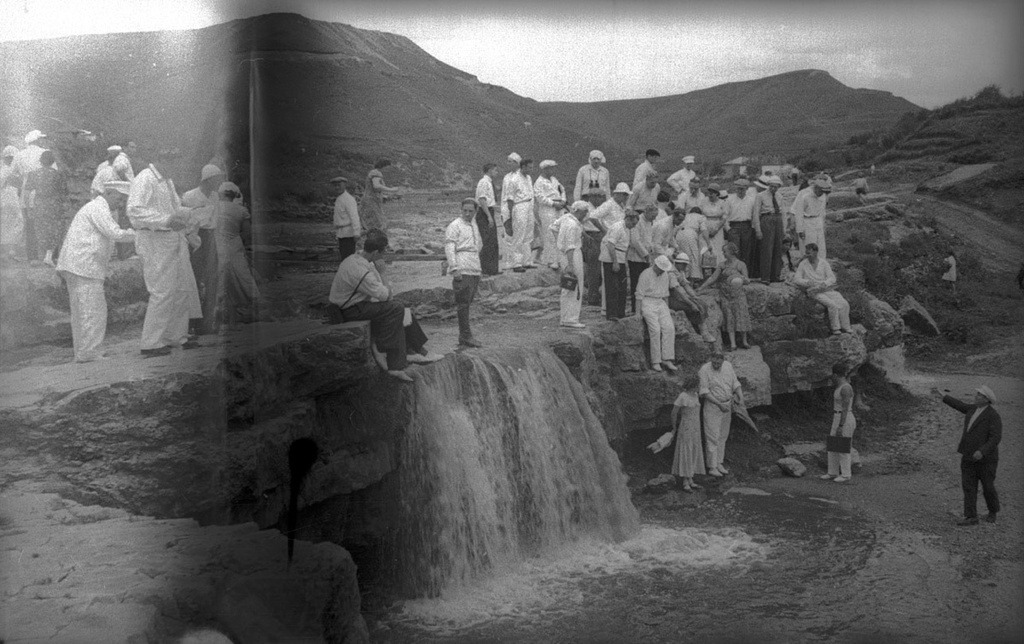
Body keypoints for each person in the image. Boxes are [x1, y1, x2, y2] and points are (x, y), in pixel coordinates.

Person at [127, 153, 202, 357]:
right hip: (154, 239)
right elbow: (134, 211)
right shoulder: (145, 178)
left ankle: (176, 337)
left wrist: (190, 213)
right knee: (162, 290)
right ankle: (151, 342)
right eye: (175, 161)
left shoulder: (166, 180)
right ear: (163, 159)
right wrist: (166, 220)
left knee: (179, 288)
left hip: (171, 238)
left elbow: (174, 209)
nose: (178, 166)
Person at [55, 181, 136, 362]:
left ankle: (84, 352)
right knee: (93, 310)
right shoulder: (98, 208)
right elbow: (115, 233)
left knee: (83, 311)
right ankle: (89, 352)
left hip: (80, 265)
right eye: (120, 198)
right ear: (108, 193)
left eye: (124, 200)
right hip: (84, 266)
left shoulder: (98, 208)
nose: (121, 203)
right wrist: (139, 235)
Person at [327, 229, 414, 382]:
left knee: (398, 307)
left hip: (349, 305)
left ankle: (411, 350)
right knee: (396, 308)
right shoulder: (361, 270)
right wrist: (383, 272)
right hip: (348, 311)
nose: (383, 257)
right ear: (375, 253)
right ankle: (390, 359)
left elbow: (380, 289)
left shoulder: (354, 259)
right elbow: (387, 296)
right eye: (382, 253)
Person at [938, 385, 1002, 525]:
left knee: (988, 487)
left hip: (987, 460)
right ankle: (971, 516)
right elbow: (959, 405)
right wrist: (943, 396)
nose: (976, 396)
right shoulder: (972, 409)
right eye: (977, 394)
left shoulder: (993, 416)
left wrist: (982, 451)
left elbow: (995, 438)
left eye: (980, 395)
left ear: (987, 400)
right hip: (968, 455)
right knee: (968, 486)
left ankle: (993, 511)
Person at [181, 163, 225, 334]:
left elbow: (216, 221)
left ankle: (208, 320)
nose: (218, 182)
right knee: (195, 278)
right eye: (215, 179)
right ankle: (193, 321)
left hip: (210, 238)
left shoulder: (215, 197)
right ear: (207, 180)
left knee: (212, 278)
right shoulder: (189, 196)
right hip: (195, 238)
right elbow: (186, 222)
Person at [212, 182, 262, 326]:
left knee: (220, 274)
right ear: (234, 195)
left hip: (218, 243)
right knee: (243, 273)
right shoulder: (240, 210)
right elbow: (247, 232)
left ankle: (220, 308)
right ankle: (252, 301)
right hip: (235, 243)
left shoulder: (214, 208)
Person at [648, 389, 706, 492]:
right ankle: (685, 482)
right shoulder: (682, 396)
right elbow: (674, 413)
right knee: (686, 451)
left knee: (693, 451)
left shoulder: (696, 395)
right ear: (693, 385)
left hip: (696, 428)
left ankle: (690, 479)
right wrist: (674, 428)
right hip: (686, 427)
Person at [636, 254, 687, 372]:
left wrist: (667, 309)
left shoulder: (665, 275)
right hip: (647, 301)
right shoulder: (645, 274)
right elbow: (639, 294)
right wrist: (638, 312)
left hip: (660, 302)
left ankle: (667, 359)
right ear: (656, 266)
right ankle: (656, 361)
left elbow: (665, 294)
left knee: (669, 328)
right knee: (655, 330)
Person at [583, 182, 630, 306]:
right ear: (618, 194)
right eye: (624, 195)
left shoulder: (620, 206)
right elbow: (593, 217)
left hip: (615, 239)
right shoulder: (609, 205)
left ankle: (600, 295)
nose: (626, 197)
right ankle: (593, 297)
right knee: (596, 268)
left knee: (603, 268)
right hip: (601, 237)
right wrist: (604, 231)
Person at [699, 241, 752, 350]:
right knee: (729, 317)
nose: (723, 254)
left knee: (741, 315)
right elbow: (713, 278)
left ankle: (744, 341)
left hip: (738, 294)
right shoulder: (722, 265)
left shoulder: (741, 264)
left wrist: (742, 279)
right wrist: (701, 288)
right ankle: (733, 343)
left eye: (725, 251)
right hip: (725, 294)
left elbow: (747, 280)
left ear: (732, 252)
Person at [699, 351, 744, 477]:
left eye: (719, 362)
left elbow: (735, 383)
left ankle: (719, 462)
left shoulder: (728, 366)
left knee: (723, 435)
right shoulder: (704, 370)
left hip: (727, 404)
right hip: (713, 406)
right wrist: (719, 404)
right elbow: (704, 391)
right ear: (711, 358)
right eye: (714, 362)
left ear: (723, 360)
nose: (716, 364)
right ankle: (712, 467)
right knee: (712, 436)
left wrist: (739, 395)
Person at [446, 197, 484, 348]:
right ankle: (465, 336)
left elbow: (479, 244)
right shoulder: (455, 225)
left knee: (468, 302)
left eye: (471, 211)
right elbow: (449, 247)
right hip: (462, 266)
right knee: (462, 303)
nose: (467, 214)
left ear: (475, 212)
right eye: (465, 211)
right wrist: (454, 268)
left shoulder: (473, 225)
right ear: (461, 210)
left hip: (474, 265)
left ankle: (466, 335)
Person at [791, 243, 852, 335]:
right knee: (832, 305)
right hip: (813, 291)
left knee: (844, 304)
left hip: (825, 289)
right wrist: (807, 282)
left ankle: (846, 326)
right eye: (806, 253)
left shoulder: (823, 263)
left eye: (809, 253)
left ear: (816, 252)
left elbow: (832, 278)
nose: (807, 255)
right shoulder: (803, 264)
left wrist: (825, 283)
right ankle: (835, 328)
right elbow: (796, 279)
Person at [23, 149, 68, 266]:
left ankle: (41, 257)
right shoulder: (57, 175)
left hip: (40, 204)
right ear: (52, 161)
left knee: (41, 229)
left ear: (41, 161)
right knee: (55, 230)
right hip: (54, 205)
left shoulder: (33, 174)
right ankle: (49, 256)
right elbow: (64, 193)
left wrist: (28, 208)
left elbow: (27, 192)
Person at [11, 130, 49, 261]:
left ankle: (32, 256)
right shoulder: (45, 153)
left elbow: (12, 175)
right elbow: (53, 171)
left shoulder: (19, 155)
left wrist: (22, 183)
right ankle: (46, 255)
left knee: (30, 225)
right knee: (45, 223)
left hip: (26, 193)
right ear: (37, 140)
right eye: (41, 139)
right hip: (44, 193)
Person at [820, 363, 857, 483]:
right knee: (833, 445)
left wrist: (841, 425)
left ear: (836, 375)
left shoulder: (845, 388)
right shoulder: (839, 386)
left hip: (844, 417)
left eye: (833, 375)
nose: (832, 377)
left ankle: (846, 474)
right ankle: (832, 471)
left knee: (843, 446)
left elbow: (845, 408)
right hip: (836, 415)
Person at [600, 209, 638, 320]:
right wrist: (615, 262)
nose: (633, 226)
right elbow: (611, 245)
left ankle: (620, 312)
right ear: (627, 219)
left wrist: (623, 262)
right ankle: (611, 313)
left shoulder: (627, 229)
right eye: (633, 223)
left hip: (620, 257)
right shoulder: (617, 227)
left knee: (622, 287)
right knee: (612, 287)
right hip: (611, 259)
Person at [556, 201, 588, 329]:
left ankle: (566, 317)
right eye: (584, 212)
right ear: (578, 211)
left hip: (564, 253)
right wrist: (570, 264)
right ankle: (570, 318)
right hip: (572, 254)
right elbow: (570, 246)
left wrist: (559, 245)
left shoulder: (565, 218)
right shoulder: (572, 225)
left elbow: (553, 227)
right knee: (574, 285)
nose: (585, 215)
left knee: (569, 286)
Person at [668, 252, 712, 341]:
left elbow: (685, 285)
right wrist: (691, 303)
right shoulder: (671, 273)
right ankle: (703, 333)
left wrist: (694, 296)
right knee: (693, 307)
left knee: (701, 303)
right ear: (678, 263)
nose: (685, 267)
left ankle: (702, 330)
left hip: (678, 296)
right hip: (670, 299)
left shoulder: (679, 271)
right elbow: (679, 291)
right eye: (684, 265)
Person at [533, 160, 567, 269]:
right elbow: (539, 197)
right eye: (551, 168)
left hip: (559, 207)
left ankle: (560, 259)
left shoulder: (554, 180)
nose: (553, 170)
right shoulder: (539, 182)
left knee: (560, 233)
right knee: (549, 234)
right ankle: (551, 260)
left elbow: (562, 190)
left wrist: (563, 200)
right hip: (548, 209)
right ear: (545, 169)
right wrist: (552, 204)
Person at [789, 174, 831, 258]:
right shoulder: (804, 194)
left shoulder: (823, 196)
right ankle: (807, 267)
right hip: (807, 222)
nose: (821, 194)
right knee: (808, 246)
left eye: (823, 192)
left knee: (821, 247)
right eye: (820, 192)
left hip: (818, 222)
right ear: (816, 188)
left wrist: (824, 225)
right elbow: (798, 212)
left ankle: (820, 267)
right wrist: (800, 229)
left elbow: (822, 212)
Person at [753, 174, 785, 283]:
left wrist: (784, 229)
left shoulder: (780, 196)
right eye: (771, 186)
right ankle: (765, 277)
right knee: (767, 249)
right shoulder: (760, 196)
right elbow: (756, 214)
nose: (773, 188)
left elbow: (783, 213)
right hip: (766, 219)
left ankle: (775, 276)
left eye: (776, 187)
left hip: (778, 220)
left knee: (778, 248)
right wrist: (758, 229)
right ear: (768, 185)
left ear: (779, 187)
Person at [505, 157, 535, 272]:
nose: (531, 170)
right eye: (529, 167)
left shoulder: (529, 178)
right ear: (523, 167)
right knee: (519, 234)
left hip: (529, 205)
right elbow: (510, 198)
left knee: (528, 234)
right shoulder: (514, 179)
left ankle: (526, 260)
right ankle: (516, 263)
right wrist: (511, 214)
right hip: (519, 205)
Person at [627, 205, 657, 315]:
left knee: (644, 283)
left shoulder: (650, 222)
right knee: (636, 283)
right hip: (635, 257)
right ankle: (635, 308)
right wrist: (645, 254)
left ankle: (643, 307)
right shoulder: (638, 221)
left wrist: (651, 248)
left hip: (646, 256)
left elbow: (650, 238)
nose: (654, 218)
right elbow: (635, 241)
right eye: (653, 216)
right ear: (647, 212)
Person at [359, 158, 400, 232]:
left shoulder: (374, 172)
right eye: (388, 167)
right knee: (376, 224)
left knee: (372, 224)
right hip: (371, 201)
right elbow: (377, 186)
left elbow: (376, 189)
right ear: (384, 166)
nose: (389, 170)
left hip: (371, 200)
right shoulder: (376, 173)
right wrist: (392, 190)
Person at [475, 162, 500, 275]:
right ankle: (483, 268)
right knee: (488, 242)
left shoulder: (489, 183)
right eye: (495, 170)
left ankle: (492, 269)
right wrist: (489, 216)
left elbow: (490, 201)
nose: (496, 172)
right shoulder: (483, 182)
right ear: (489, 170)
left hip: (489, 210)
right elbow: (482, 200)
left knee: (493, 241)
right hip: (484, 213)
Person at [329, 176, 361, 261]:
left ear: (344, 185)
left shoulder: (348, 199)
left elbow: (354, 216)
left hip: (348, 234)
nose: (337, 187)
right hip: (341, 234)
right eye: (335, 185)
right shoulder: (339, 199)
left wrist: (356, 232)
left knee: (348, 259)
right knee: (344, 257)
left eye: (339, 185)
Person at [726, 178, 757, 268]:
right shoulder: (730, 200)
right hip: (734, 227)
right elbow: (725, 216)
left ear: (746, 189)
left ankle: (744, 273)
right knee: (734, 250)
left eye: (742, 189)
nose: (740, 191)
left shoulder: (751, 200)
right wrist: (728, 229)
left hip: (747, 226)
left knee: (746, 251)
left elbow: (754, 215)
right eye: (738, 188)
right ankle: (734, 271)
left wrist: (753, 228)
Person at [499, 152, 522, 270]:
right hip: (505, 207)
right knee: (507, 235)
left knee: (517, 235)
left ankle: (517, 261)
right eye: (507, 161)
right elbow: (504, 194)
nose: (508, 164)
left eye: (510, 162)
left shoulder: (521, 176)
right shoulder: (506, 177)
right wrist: (503, 210)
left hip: (517, 207)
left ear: (516, 163)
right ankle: (508, 260)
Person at [0, 145, 23, 260]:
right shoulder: (8, 170)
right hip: (9, 198)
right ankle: (10, 250)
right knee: (14, 222)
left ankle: (10, 250)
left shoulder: (5, 169)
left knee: (8, 223)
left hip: (9, 198)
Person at [675, 206, 708, 281]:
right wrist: (708, 243)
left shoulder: (686, 216)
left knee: (681, 256)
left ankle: (681, 277)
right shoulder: (701, 217)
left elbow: (676, 227)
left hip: (679, 234)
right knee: (693, 257)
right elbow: (704, 231)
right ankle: (693, 279)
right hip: (690, 235)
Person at [702, 183, 729, 263]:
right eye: (709, 193)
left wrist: (716, 229)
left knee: (717, 248)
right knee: (705, 247)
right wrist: (705, 229)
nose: (710, 195)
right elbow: (701, 215)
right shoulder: (704, 201)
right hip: (705, 226)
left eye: (712, 193)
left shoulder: (722, 203)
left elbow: (724, 218)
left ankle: (718, 268)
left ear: (717, 194)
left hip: (717, 227)